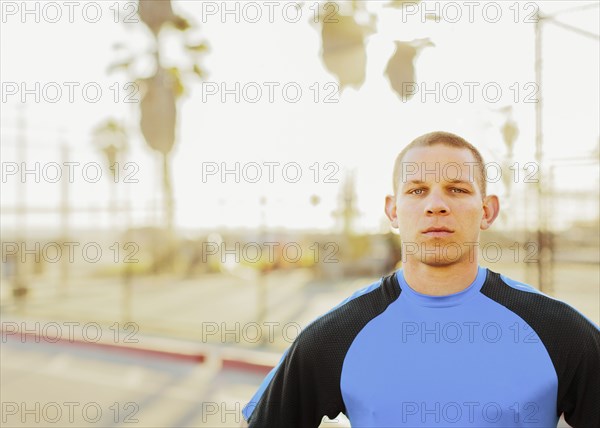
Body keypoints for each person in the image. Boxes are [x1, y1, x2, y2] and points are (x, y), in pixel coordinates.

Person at [240, 131, 600, 427]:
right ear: (393, 210)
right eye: (416, 190)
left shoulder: (559, 330)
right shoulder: (337, 335)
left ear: (487, 210)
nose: (436, 205)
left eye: (457, 189)